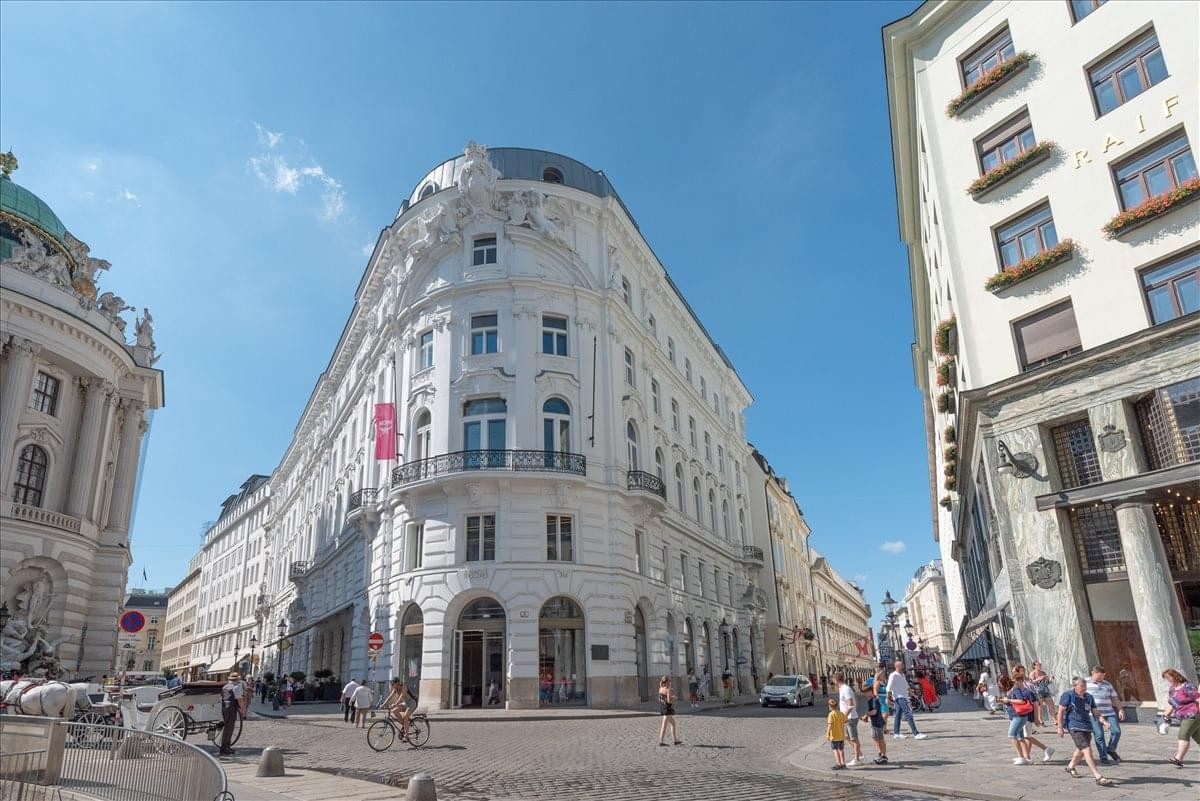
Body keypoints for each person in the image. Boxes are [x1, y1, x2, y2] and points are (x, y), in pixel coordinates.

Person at [1057, 676, 1113, 787]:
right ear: (1075, 686)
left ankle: (1071, 767)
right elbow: (1060, 711)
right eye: (1082, 686)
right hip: (1074, 726)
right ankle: (1098, 777)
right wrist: (1060, 727)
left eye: (1085, 685)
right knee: (1087, 750)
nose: (1084, 688)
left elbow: (1096, 712)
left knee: (1081, 749)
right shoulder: (1068, 696)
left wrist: (1104, 721)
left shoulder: (1088, 697)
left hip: (1087, 726)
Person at [1085, 665, 1124, 765]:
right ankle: (1103, 757)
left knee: (1116, 731)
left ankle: (1111, 749)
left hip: (1109, 712)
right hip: (1093, 714)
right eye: (1100, 676)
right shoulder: (1085, 683)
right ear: (1093, 673)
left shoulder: (1107, 684)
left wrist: (1120, 709)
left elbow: (1114, 698)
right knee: (1099, 735)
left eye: (1103, 676)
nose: (1102, 678)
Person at [1161, 667, 1199, 767]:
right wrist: (1165, 715)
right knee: (1198, 737)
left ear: (1176, 676)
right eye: (1166, 678)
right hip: (1183, 716)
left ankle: (1178, 759)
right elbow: (1171, 704)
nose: (1167, 680)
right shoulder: (1172, 689)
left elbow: (1198, 699)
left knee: (1183, 735)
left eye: (1168, 677)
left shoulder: (1188, 686)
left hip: (1192, 714)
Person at [885, 659, 927, 739]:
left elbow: (906, 687)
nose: (903, 666)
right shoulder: (893, 675)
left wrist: (913, 695)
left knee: (898, 715)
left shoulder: (902, 675)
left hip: (903, 697)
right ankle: (916, 733)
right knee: (908, 714)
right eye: (902, 665)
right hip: (899, 697)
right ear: (897, 666)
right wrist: (887, 698)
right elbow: (888, 687)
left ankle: (896, 733)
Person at [833, 671, 862, 766]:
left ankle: (857, 759)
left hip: (850, 718)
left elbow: (851, 703)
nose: (833, 682)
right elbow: (854, 701)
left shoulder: (845, 689)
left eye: (833, 680)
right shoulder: (843, 689)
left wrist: (844, 716)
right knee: (847, 737)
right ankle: (860, 754)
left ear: (836, 680)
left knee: (854, 738)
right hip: (848, 717)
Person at [863, 677, 888, 764]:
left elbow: (874, 712)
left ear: (870, 691)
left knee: (880, 739)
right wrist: (866, 715)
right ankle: (880, 753)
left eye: (865, 692)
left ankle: (884, 756)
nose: (865, 694)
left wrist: (866, 714)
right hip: (874, 722)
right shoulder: (869, 699)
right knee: (875, 738)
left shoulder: (874, 700)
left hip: (878, 721)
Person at [218, 671, 243, 757]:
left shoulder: (225, 686)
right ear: (237, 680)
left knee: (227, 727)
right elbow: (239, 700)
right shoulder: (236, 687)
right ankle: (225, 747)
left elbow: (221, 697)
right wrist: (242, 710)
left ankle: (226, 746)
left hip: (224, 707)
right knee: (229, 728)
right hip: (231, 708)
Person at [1029, 661, 1055, 731]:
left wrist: (1051, 679)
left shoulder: (1043, 673)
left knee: (1051, 705)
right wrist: (1039, 679)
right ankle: (1041, 721)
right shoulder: (1032, 673)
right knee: (1040, 707)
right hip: (1038, 691)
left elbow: (1047, 682)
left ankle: (1055, 720)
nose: (1040, 666)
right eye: (1038, 665)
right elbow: (1031, 682)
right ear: (1034, 666)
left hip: (1046, 690)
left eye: (1040, 665)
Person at [656, 675, 681, 746]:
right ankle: (661, 741)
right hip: (667, 708)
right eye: (669, 681)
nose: (670, 682)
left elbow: (660, 699)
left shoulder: (660, 688)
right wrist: (674, 698)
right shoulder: (668, 689)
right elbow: (669, 701)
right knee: (664, 725)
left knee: (672, 723)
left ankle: (675, 740)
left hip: (662, 707)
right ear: (666, 682)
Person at [827, 698, 848, 770]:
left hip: (834, 735)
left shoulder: (831, 714)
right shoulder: (841, 713)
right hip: (841, 735)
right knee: (841, 749)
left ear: (830, 706)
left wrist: (827, 734)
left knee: (835, 749)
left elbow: (830, 725)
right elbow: (845, 720)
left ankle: (838, 764)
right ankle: (843, 763)